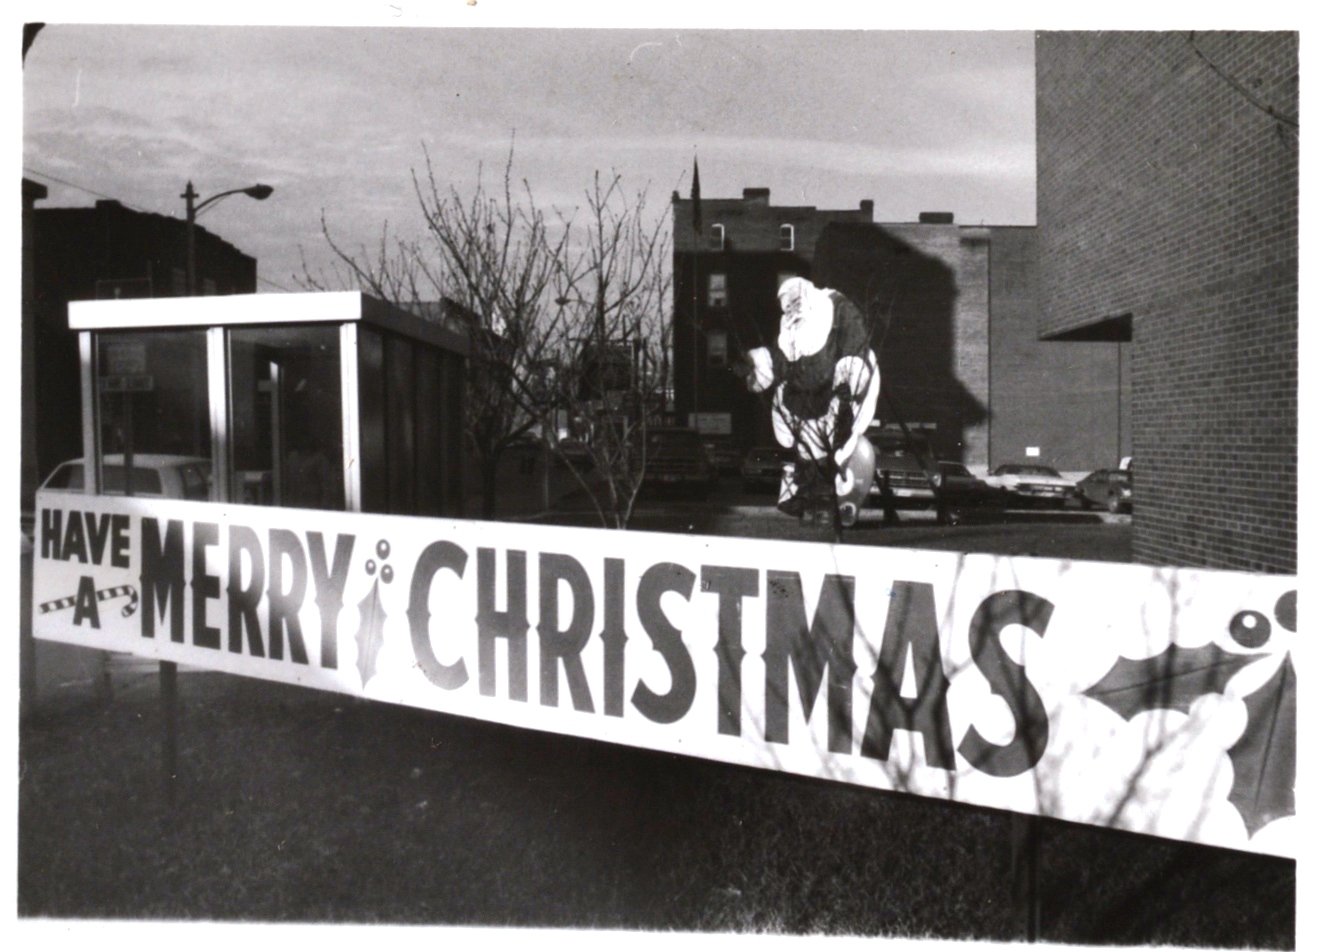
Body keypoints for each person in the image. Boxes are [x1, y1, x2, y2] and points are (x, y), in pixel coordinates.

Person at [743, 277, 880, 524]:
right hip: (804, 399)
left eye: (796, 302)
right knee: (805, 447)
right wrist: (760, 365)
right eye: (787, 306)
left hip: (837, 391)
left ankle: (834, 497)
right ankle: (807, 499)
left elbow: (855, 341)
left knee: (835, 441)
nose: (792, 310)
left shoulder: (835, 308)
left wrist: (849, 376)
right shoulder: (789, 331)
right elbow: (779, 360)